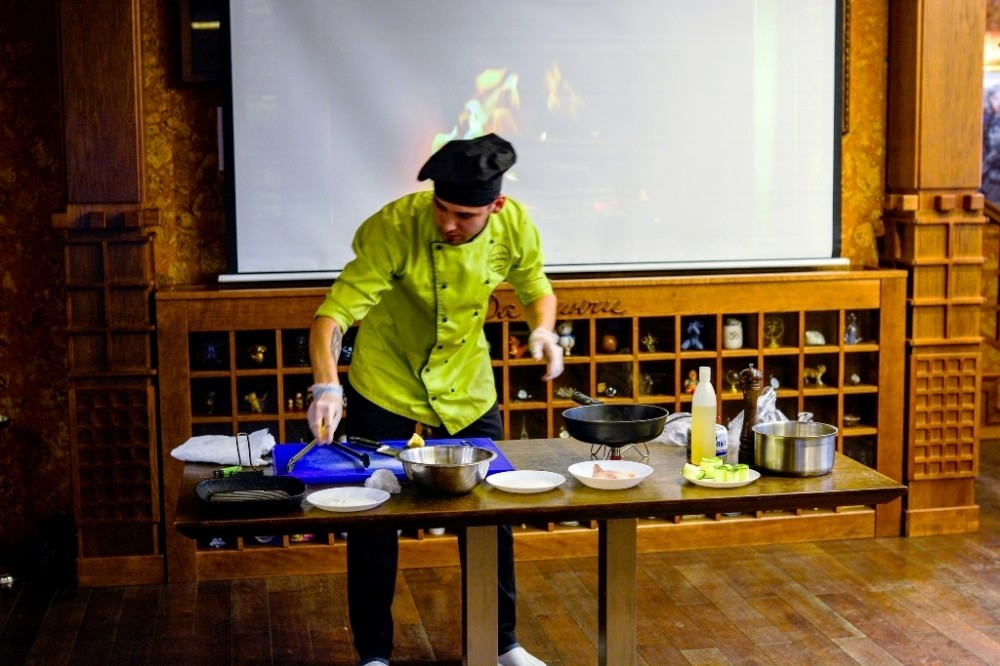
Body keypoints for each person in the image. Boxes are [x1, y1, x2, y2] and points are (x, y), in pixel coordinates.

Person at [307, 133, 563, 666]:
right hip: (386, 385)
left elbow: (535, 286)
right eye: (441, 208)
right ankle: (374, 655)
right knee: (373, 514)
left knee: (490, 513)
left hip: (467, 390)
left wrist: (543, 329)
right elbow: (334, 313)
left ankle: (502, 644)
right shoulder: (394, 227)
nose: (448, 223)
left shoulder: (515, 226)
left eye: (464, 216)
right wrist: (328, 385)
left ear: (496, 205)